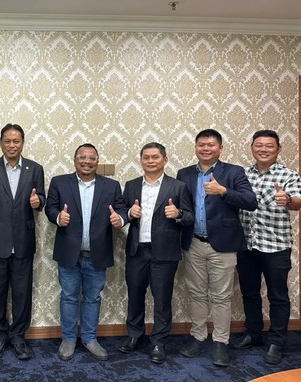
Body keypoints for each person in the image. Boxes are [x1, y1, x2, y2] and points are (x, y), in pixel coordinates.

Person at [176, 129, 257, 367]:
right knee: (197, 293)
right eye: (201, 144)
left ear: (220, 148)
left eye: (211, 145)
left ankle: (221, 341)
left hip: (224, 244)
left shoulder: (233, 172)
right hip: (193, 242)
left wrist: (223, 191)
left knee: (222, 296)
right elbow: (183, 206)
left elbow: (250, 202)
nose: (206, 148)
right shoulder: (184, 174)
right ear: (195, 147)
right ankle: (198, 336)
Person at [45, 143, 128, 362]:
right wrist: (58, 217)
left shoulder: (111, 186)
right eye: (82, 157)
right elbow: (50, 207)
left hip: (97, 254)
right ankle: (68, 339)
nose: (87, 161)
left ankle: (90, 339)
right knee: (69, 297)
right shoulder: (59, 182)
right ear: (75, 161)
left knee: (93, 298)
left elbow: (121, 210)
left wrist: (119, 219)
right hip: (69, 252)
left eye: (92, 158)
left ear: (97, 162)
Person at [0, 123, 45, 360]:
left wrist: (37, 202)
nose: (12, 145)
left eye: (16, 141)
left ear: (22, 143)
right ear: (0, 143)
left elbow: (41, 198)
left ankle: (18, 337)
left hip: (24, 240)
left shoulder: (35, 169)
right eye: (7, 141)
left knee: (22, 293)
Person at [119, 142, 194, 363]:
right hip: (137, 250)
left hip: (164, 253)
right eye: (146, 157)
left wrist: (178, 213)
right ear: (141, 160)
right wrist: (129, 213)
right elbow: (121, 212)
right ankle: (135, 335)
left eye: (155, 157)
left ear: (165, 160)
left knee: (162, 299)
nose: (150, 161)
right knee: (135, 295)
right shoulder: (131, 185)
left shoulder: (178, 186)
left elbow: (190, 217)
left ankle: (159, 341)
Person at [232, 130, 301, 364]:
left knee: (277, 295)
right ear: (252, 147)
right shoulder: (242, 175)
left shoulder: (288, 175)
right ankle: (253, 333)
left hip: (276, 246)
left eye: (269, 146)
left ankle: (276, 342)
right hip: (246, 244)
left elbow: (298, 201)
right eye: (259, 145)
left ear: (278, 149)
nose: (263, 149)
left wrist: (288, 200)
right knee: (249, 292)